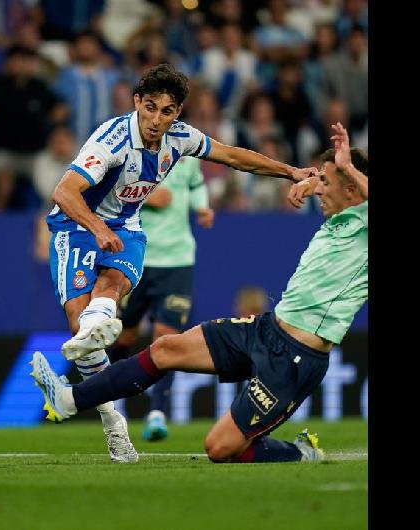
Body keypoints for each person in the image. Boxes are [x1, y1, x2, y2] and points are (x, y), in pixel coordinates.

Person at [34, 121, 367, 464]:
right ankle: (69, 399)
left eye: (328, 183)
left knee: (220, 449)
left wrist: (343, 169)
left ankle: (301, 453)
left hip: (297, 358)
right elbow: (328, 189)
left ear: (353, 190)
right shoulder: (343, 216)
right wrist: (313, 181)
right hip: (267, 329)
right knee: (165, 348)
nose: (320, 190)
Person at [106, 156, 214, 442]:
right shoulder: (132, 157)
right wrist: (147, 196)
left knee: (166, 339)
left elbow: (196, 185)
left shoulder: (188, 159)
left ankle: (157, 412)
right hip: (137, 258)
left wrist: (202, 208)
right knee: (125, 336)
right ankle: (107, 396)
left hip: (177, 261)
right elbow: (111, 192)